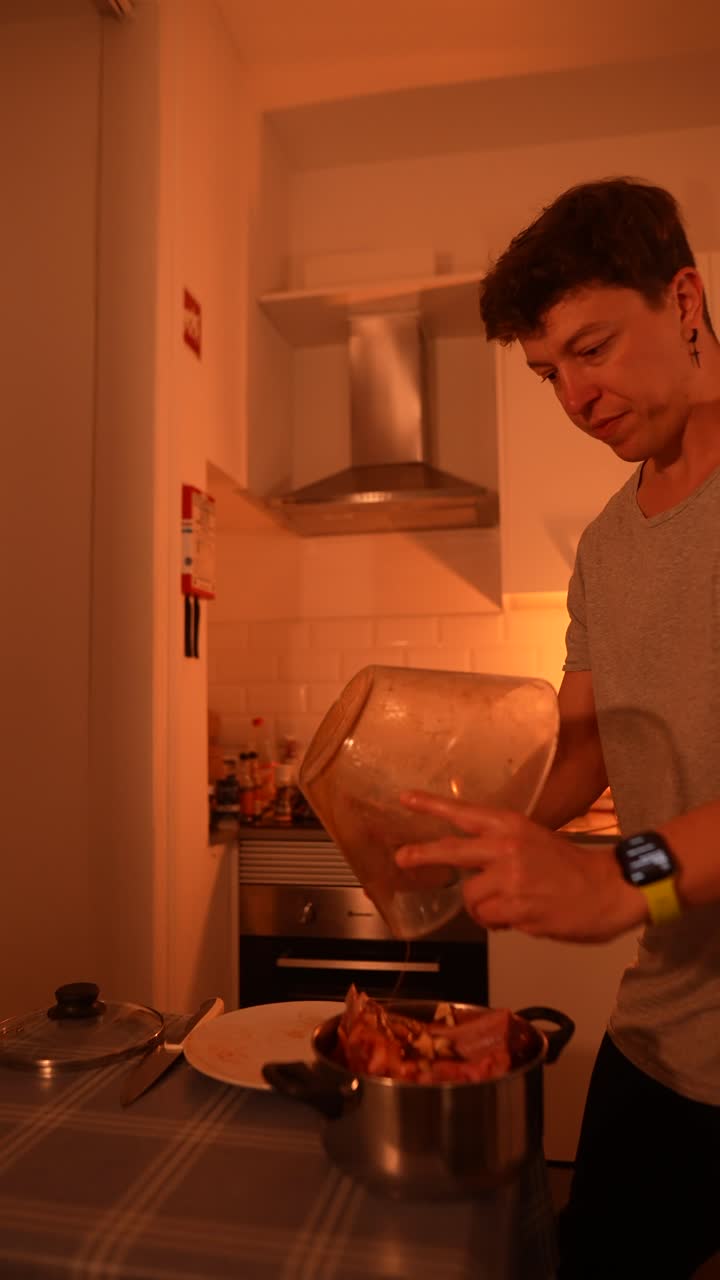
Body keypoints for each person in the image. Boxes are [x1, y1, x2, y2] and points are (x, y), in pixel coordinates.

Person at [393, 177, 720, 1279]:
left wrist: (620, 878)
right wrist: (476, 825)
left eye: (594, 348)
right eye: (548, 374)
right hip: (667, 1032)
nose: (576, 397)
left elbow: (641, 865)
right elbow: (584, 745)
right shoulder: (605, 545)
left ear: (684, 299)